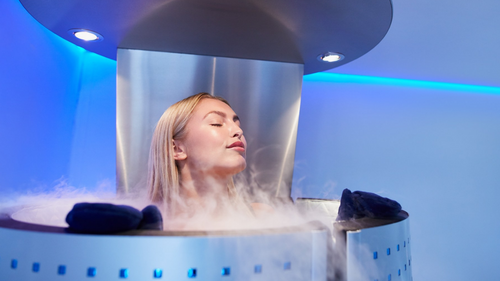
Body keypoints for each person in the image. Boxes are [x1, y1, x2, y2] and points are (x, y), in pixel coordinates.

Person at [147, 93, 257, 227]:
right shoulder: (153, 228)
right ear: (176, 149)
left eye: (238, 124)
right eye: (216, 123)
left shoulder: (262, 217)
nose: (238, 131)